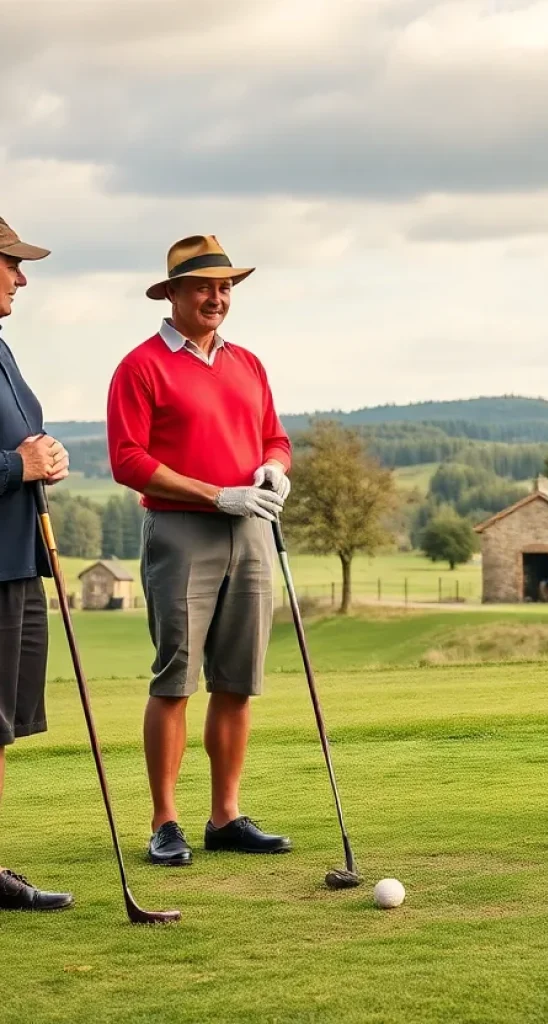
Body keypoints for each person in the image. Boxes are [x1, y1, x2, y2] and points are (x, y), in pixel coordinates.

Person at [107, 236, 293, 867]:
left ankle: (226, 816)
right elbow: (129, 461)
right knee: (176, 680)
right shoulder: (141, 366)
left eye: (226, 288)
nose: (217, 298)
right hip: (181, 533)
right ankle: (165, 822)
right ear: (174, 295)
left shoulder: (248, 363)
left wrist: (273, 468)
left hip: (252, 529)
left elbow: (275, 436)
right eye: (205, 288)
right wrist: (218, 495)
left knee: (237, 681)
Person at [0, 216, 73, 910]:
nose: (23, 277)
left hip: (17, 560)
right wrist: (14, 465)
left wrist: (44, 457)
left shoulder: (1, 348)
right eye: (11, 263)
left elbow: (23, 443)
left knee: (1, 725)